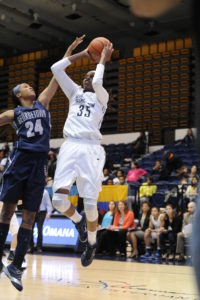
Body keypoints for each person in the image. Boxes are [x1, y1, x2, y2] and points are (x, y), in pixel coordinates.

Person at [0, 36, 84, 291]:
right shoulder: (14, 113)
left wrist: (69, 52)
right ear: (18, 95)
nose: (30, 86)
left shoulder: (43, 102)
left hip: (38, 167)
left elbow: (58, 75)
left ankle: (15, 265)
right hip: (20, 162)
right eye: (25, 85)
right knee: (6, 211)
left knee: (29, 217)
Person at [50, 41, 114, 267]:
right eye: (85, 76)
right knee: (58, 200)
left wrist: (102, 60)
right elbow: (56, 69)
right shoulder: (74, 92)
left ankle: (92, 243)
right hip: (70, 146)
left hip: (91, 149)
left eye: (90, 74)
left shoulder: (102, 97)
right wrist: (83, 54)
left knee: (90, 204)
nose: (88, 78)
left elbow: (97, 80)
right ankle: (79, 224)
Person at [29, 188, 53, 253]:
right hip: (33, 211)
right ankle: (30, 247)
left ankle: (39, 247)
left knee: (40, 229)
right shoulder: (32, 191)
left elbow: (48, 203)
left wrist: (49, 213)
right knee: (30, 229)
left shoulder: (45, 192)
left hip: (42, 212)